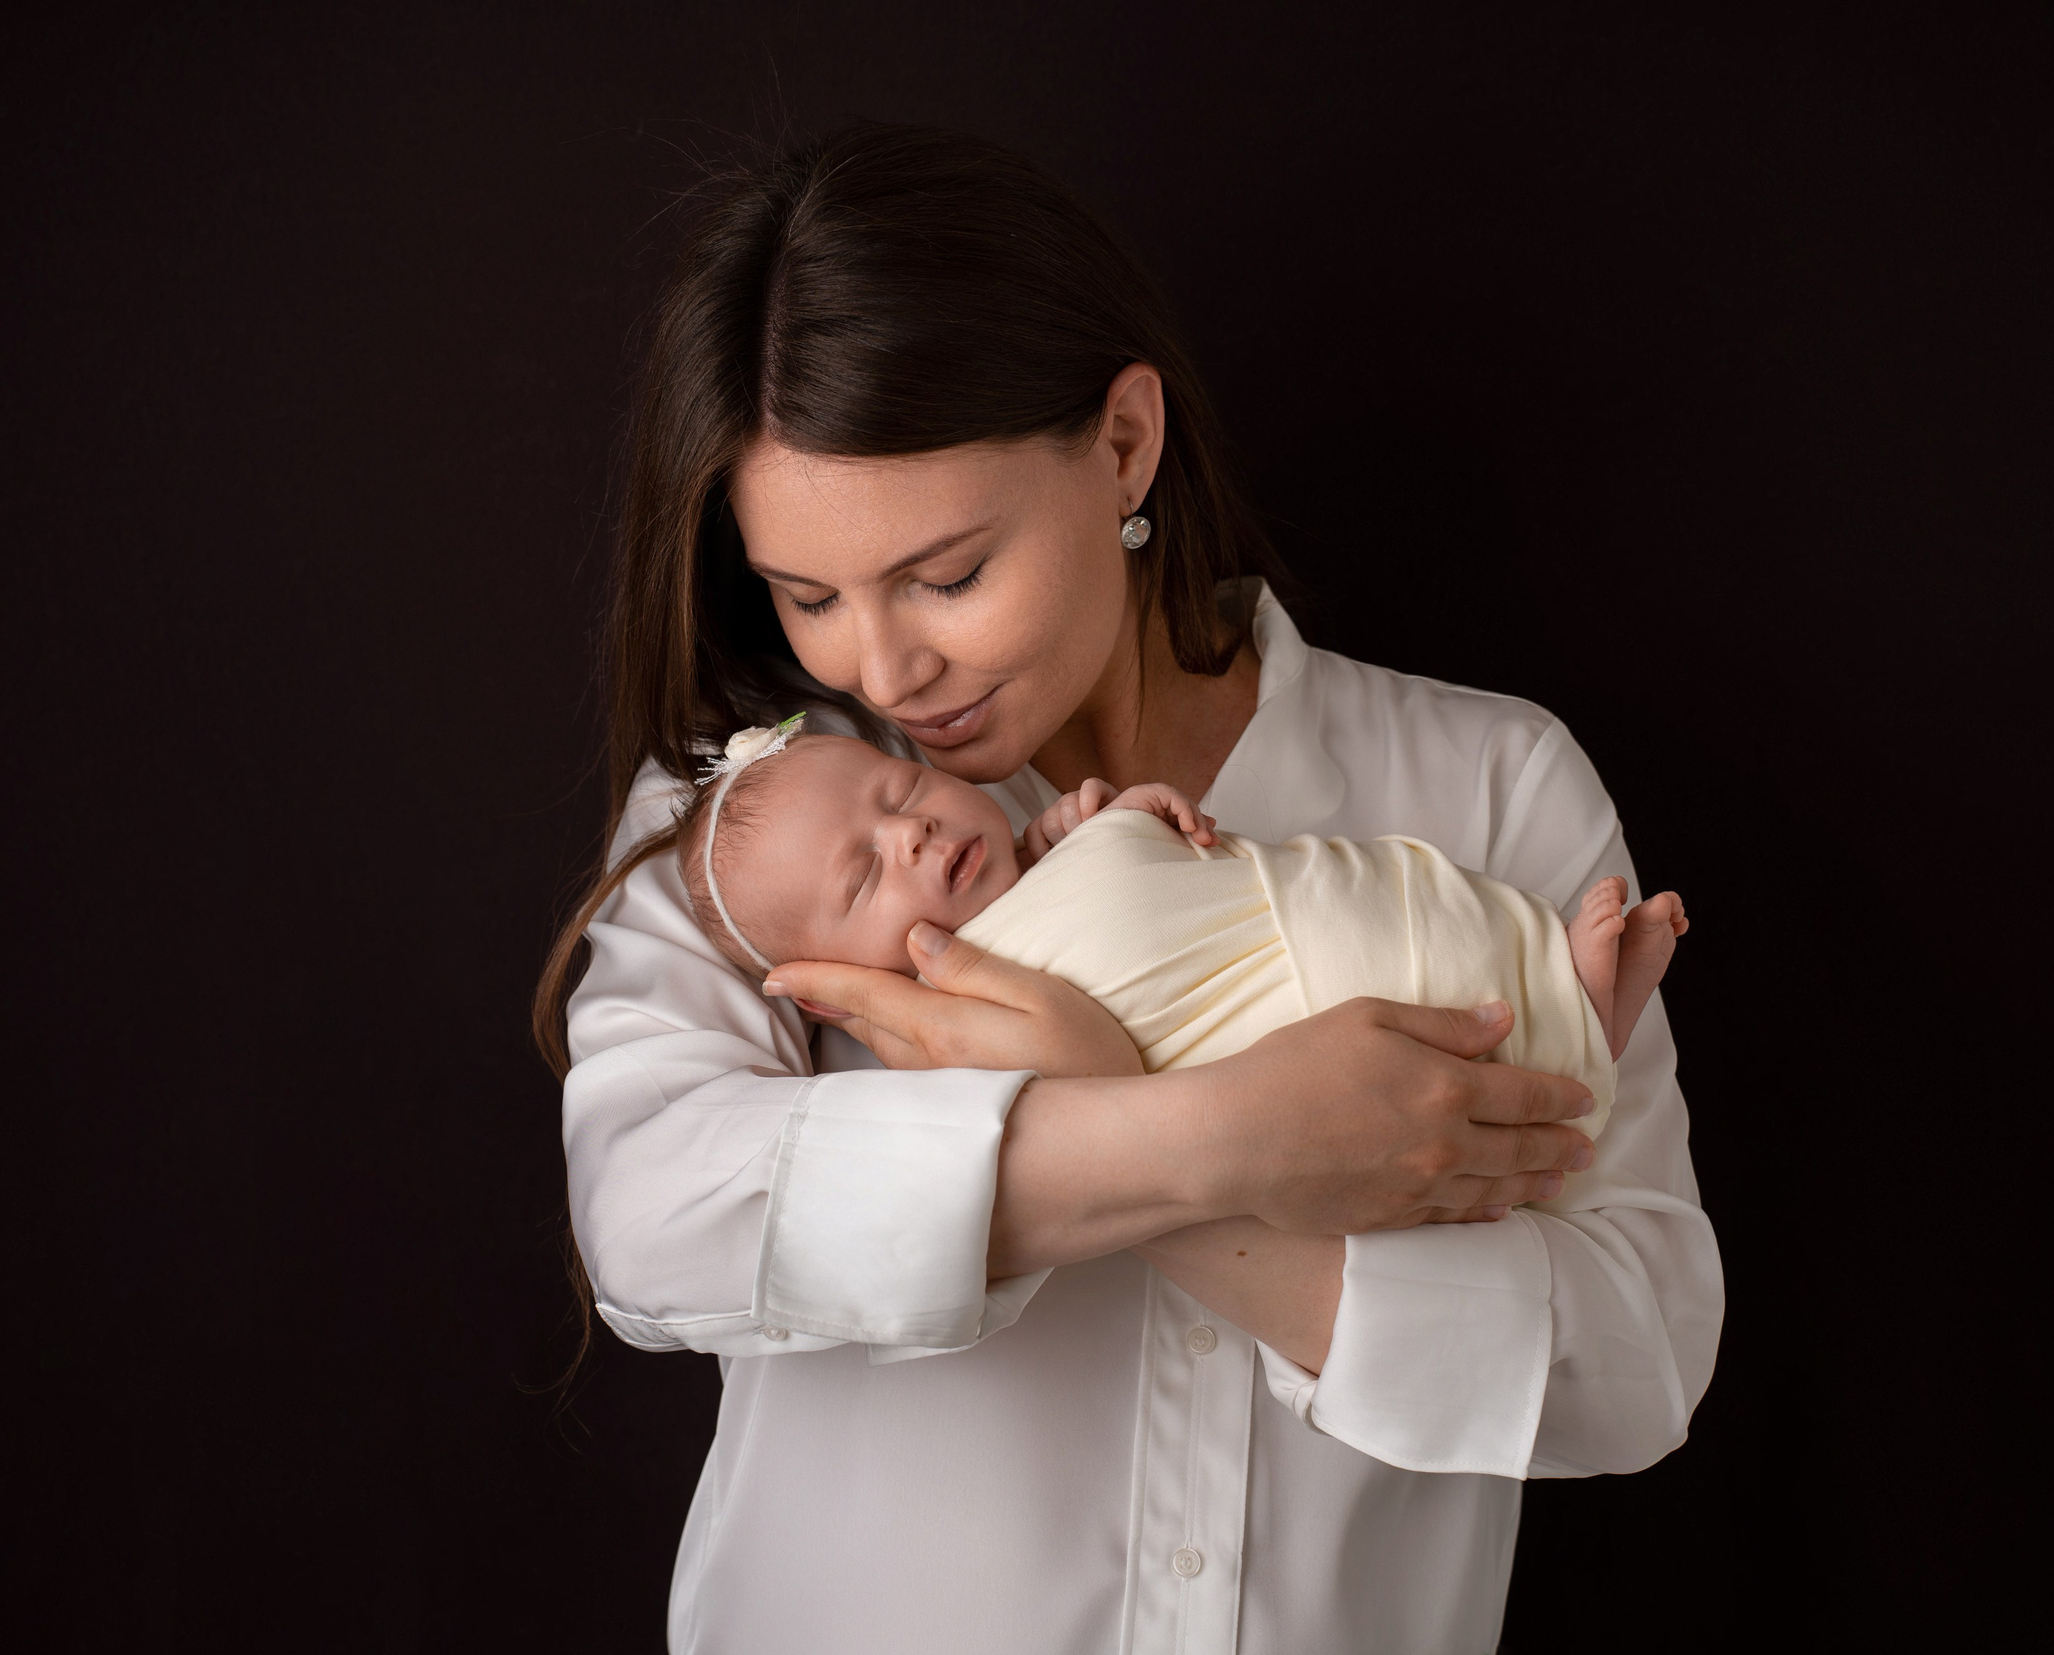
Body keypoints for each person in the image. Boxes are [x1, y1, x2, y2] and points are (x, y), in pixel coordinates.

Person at [536, 123, 1723, 1655]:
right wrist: (1228, 1133)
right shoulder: (760, 821)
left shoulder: (1485, 786)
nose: (884, 668)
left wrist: (1188, 1190)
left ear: (1123, 443)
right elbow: (654, 1210)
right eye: (808, 593)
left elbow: (1638, 1353)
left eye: (948, 574)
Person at [668, 721, 1685, 1112]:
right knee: (1395, 1007)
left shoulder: (1041, 847)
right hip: (1268, 1013)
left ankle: (1558, 979)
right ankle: (1579, 1015)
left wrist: (1104, 822)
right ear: (850, 985)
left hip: (1287, 900)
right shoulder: (946, 1030)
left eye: (898, 792)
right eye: (863, 879)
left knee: (1389, 905)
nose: (915, 837)